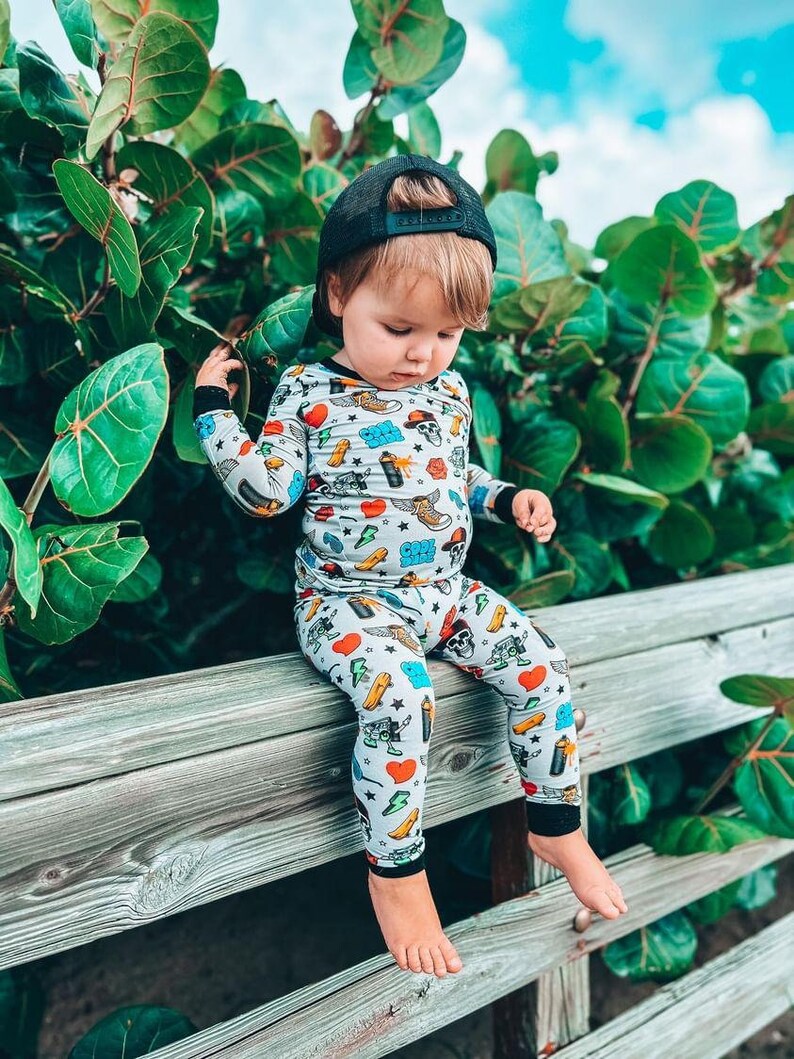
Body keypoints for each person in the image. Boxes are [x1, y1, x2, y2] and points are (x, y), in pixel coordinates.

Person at [192, 154, 628, 980]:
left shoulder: (449, 392)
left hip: (443, 592)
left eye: (447, 335)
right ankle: (396, 874)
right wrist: (216, 412)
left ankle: (556, 822)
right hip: (347, 604)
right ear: (337, 297)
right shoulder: (307, 391)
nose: (424, 354)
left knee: (541, 662)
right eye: (400, 329)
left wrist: (506, 500)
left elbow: (446, 476)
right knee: (401, 695)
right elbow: (266, 491)